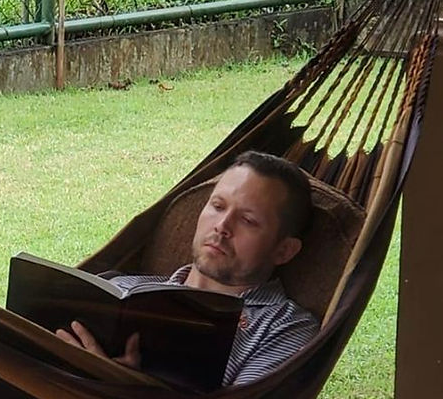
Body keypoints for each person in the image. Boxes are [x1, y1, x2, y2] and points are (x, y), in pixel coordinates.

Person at [56, 151, 319, 386]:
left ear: (284, 250)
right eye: (218, 206)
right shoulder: (122, 288)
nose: (222, 226)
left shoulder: (282, 327)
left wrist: (119, 385)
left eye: (248, 220)